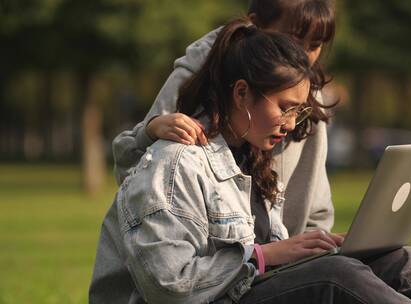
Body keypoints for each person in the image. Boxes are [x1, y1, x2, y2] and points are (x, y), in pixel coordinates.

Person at [90, 18, 411, 304]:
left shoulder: (253, 161)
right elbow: (169, 286)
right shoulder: (176, 162)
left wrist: (312, 249)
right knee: (337, 278)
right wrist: (264, 256)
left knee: (400, 260)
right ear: (241, 93)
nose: (292, 125)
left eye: (300, 112)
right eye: (285, 108)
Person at [112, 0, 337, 237]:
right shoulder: (200, 74)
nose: (302, 55)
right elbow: (135, 174)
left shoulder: (307, 89)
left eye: (315, 45)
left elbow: (316, 210)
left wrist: (310, 252)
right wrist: (151, 131)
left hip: (279, 261)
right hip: (215, 262)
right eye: (293, 40)